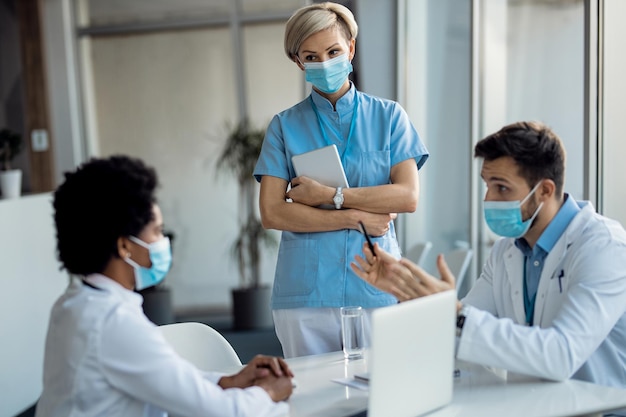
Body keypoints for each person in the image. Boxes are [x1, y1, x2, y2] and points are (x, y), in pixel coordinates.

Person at [351, 121, 626, 392]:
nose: (488, 199)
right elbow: (459, 333)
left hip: (603, 408)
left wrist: (455, 314)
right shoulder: (507, 250)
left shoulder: (603, 247)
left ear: (545, 190)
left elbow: (561, 354)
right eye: (487, 185)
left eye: (502, 187)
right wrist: (406, 289)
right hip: (535, 406)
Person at [36, 155, 293, 417]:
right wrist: (269, 392)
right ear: (125, 246)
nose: (163, 242)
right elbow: (224, 412)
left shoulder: (75, 303)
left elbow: (164, 378)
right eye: (157, 232)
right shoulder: (113, 322)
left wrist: (228, 381)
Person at [253, 2, 429, 358]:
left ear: (350, 47)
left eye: (333, 51)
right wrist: (355, 216)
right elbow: (272, 212)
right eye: (312, 56)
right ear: (299, 62)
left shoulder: (389, 117)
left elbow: (407, 197)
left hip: (376, 284)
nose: (325, 63)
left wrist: (329, 195)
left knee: (386, 400)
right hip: (305, 295)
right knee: (313, 405)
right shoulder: (284, 127)